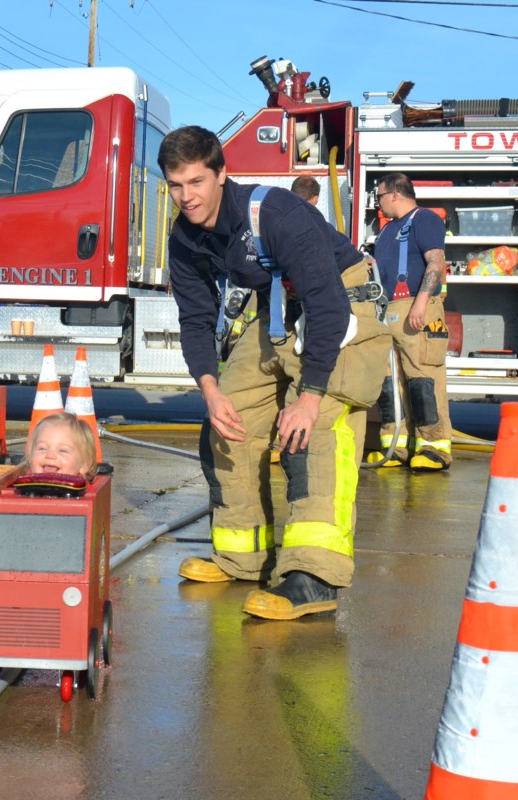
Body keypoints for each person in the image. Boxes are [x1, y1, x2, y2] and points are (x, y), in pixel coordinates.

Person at [159, 125, 390, 621]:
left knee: (315, 428)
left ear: (222, 174)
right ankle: (243, 555)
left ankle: (314, 576)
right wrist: (211, 390)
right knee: (228, 419)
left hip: (341, 304)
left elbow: (328, 307)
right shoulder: (184, 238)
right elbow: (195, 320)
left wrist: (308, 397)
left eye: (196, 182)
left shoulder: (278, 214)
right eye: (175, 186)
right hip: (282, 310)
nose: (186, 197)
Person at [366, 173, 454, 472]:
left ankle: (434, 447)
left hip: (419, 308)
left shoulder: (424, 219)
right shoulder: (388, 231)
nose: (378, 203)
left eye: (379, 196)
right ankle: (396, 445)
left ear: (394, 194)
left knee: (423, 378)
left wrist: (420, 302)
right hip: (390, 311)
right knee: (390, 382)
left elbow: (436, 262)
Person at [26, 412, 98, 480]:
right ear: (30, 456)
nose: (50, 455)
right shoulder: (21, 488)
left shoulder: (85, 492)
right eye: (42, 448)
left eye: (62, 450)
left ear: (84, 464)